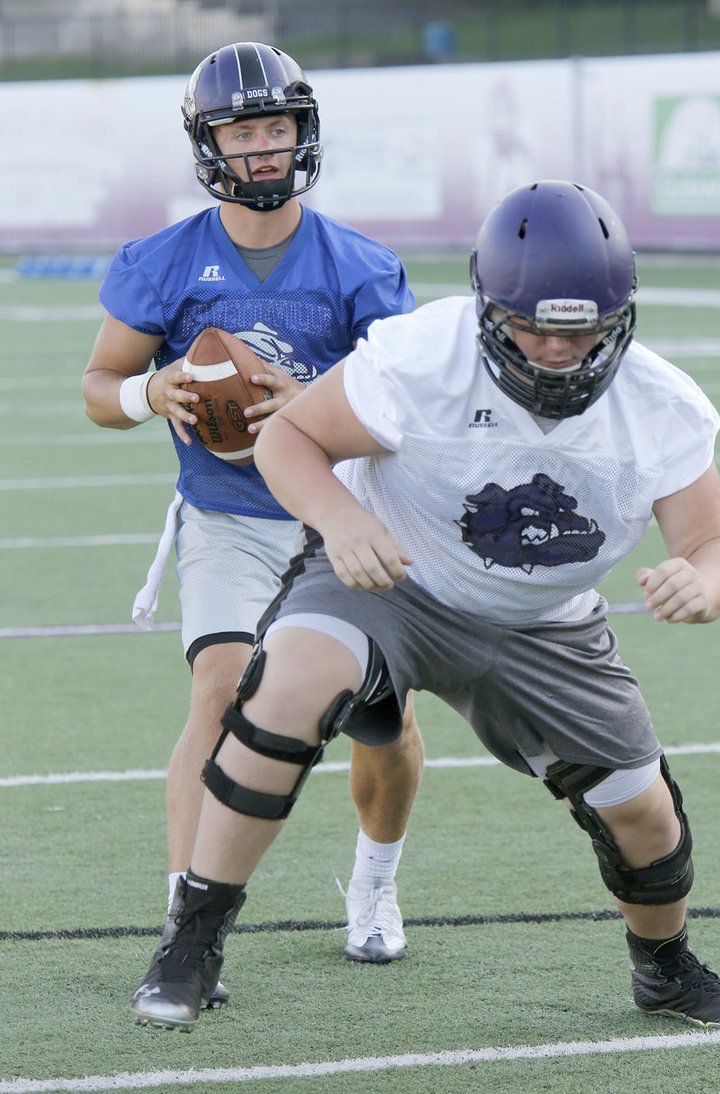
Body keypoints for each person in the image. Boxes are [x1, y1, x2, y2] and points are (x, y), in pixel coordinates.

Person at [130, 179, 720, 1034]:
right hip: (398, 582)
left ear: (617, 319)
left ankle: (664, 966)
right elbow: (288, 436)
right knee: (282, 687)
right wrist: (341, 518)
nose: (551, 348)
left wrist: (707, 580)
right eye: (531, 324)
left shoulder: (661, 404)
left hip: (545, 623)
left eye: (575, 329)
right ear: (487, 307)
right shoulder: (424, 353)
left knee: (642, 810)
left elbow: (712, 542)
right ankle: (191, 939)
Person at [81, 42, 424, 996]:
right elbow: (98, 387)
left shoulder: (362, 266)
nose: (265, 148)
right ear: (210, 143)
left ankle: (374, 886)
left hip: (341, 513)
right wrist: (155, 392)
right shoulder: (163, 263)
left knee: (383, 729)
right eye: (245, 130)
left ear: (301, 135)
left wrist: (309, 400)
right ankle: (187, 918)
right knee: (220, 692)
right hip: (227, 515)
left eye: (279, 128)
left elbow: (408, 415)